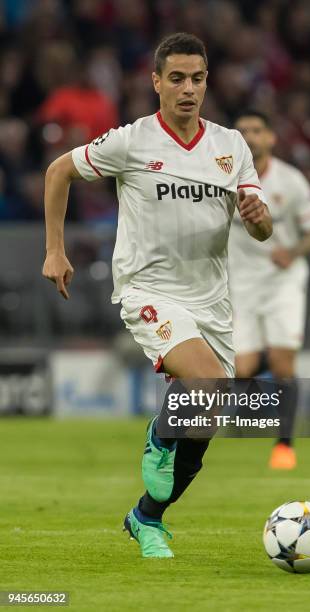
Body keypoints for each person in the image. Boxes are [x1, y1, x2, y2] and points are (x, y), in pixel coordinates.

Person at [42, 34, 272, 559]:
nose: (188, 89)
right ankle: (157, 436)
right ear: (156, 83)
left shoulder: (231, 146)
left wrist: (261, 220)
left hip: (212, 303)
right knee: (205, 383)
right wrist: (55, 250)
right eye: (176, 78)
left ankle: (146, 517)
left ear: (207, 82)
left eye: (197, 78)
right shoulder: (133, 141)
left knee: (206, 421)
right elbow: (58, 172)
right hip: (150, 290)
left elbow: (261, 227)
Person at [228, 110, 310, 470]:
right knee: (243, 368)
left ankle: (284, 445)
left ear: (270, 137)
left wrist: (294, 251)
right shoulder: (221, 179)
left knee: (284, 363)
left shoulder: (291, 180)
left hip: (283, 280)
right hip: (240, 281)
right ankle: (253, 416)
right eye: (242, 131)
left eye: (256, 130)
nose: (250, 136)